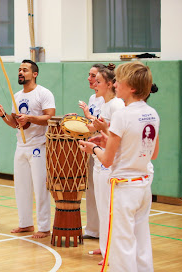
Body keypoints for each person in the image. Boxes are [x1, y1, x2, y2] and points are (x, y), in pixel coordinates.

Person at [79, 61, 159, 271]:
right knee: (141, 239)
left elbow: (107, 160)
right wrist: (110, 143)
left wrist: (92, 149)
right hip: (143, 185)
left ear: (131, 87)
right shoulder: (152, 113)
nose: (115, 85)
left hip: (124, 187)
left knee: (122, 243)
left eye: (119, 81)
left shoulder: (122, 115)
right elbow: (154, 152)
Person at [0, 60, 55, 238]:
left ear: (34, 74)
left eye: (25, 70)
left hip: (38, 146)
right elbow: (15, 124)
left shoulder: (44, 93)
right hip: (21, 146)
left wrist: (29, 117)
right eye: (19, 70)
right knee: (21, 186)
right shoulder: (17, 96)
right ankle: (25, 223)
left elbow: (50, 117)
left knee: (40, 187)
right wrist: (3, 113)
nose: (21, 72)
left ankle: (43, 226)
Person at [88, 64, 125, 263]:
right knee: (102, 208)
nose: (94, 83)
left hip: (108, 162)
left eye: (99, 81)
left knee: (109, 209)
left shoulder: (117, 105)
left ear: (110, 84)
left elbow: (117, 138)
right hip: (99, 159)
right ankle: (104, 246)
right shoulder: (104, 104)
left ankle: (112, 251)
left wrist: (102, 131)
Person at [78, 63, 106, 241]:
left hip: (104, 146)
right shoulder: (92, 97)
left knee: (102, 191)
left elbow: (102, 124)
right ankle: (93, 229)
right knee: (91, 189)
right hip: (92, 145)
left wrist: (89, 118)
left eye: (93, 75)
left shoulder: (108, 99)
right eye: (89, 75)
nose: (89, 78)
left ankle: (104, 231)